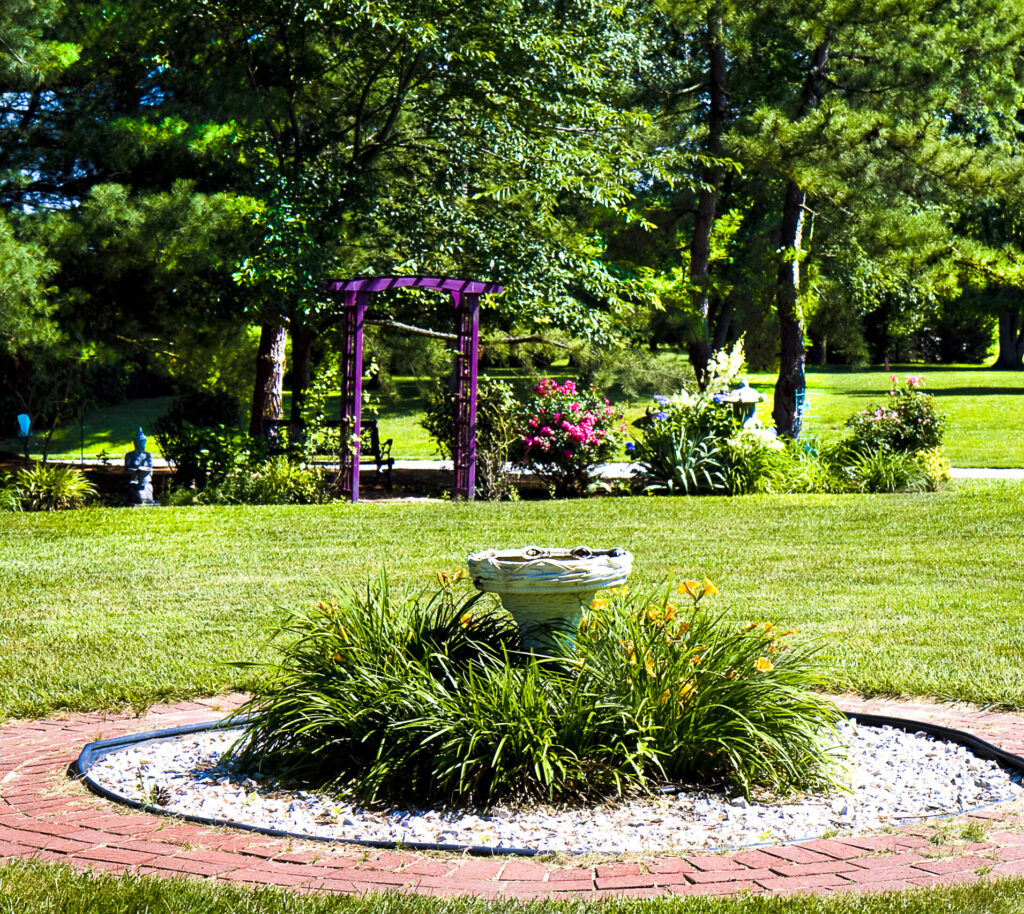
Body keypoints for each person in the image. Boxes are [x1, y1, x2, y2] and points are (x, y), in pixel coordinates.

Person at [124, 427, 155, 505]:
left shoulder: (148, 455)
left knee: (148, 490)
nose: (141, 445)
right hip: (134, 480)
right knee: (139, 494)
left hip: (145, 480)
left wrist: (146, 473)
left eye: (143, 443)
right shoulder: (130, 455)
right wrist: (135, 471)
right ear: (135, 443)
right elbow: (126, 470)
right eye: (139, 442)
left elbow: (150, 468)